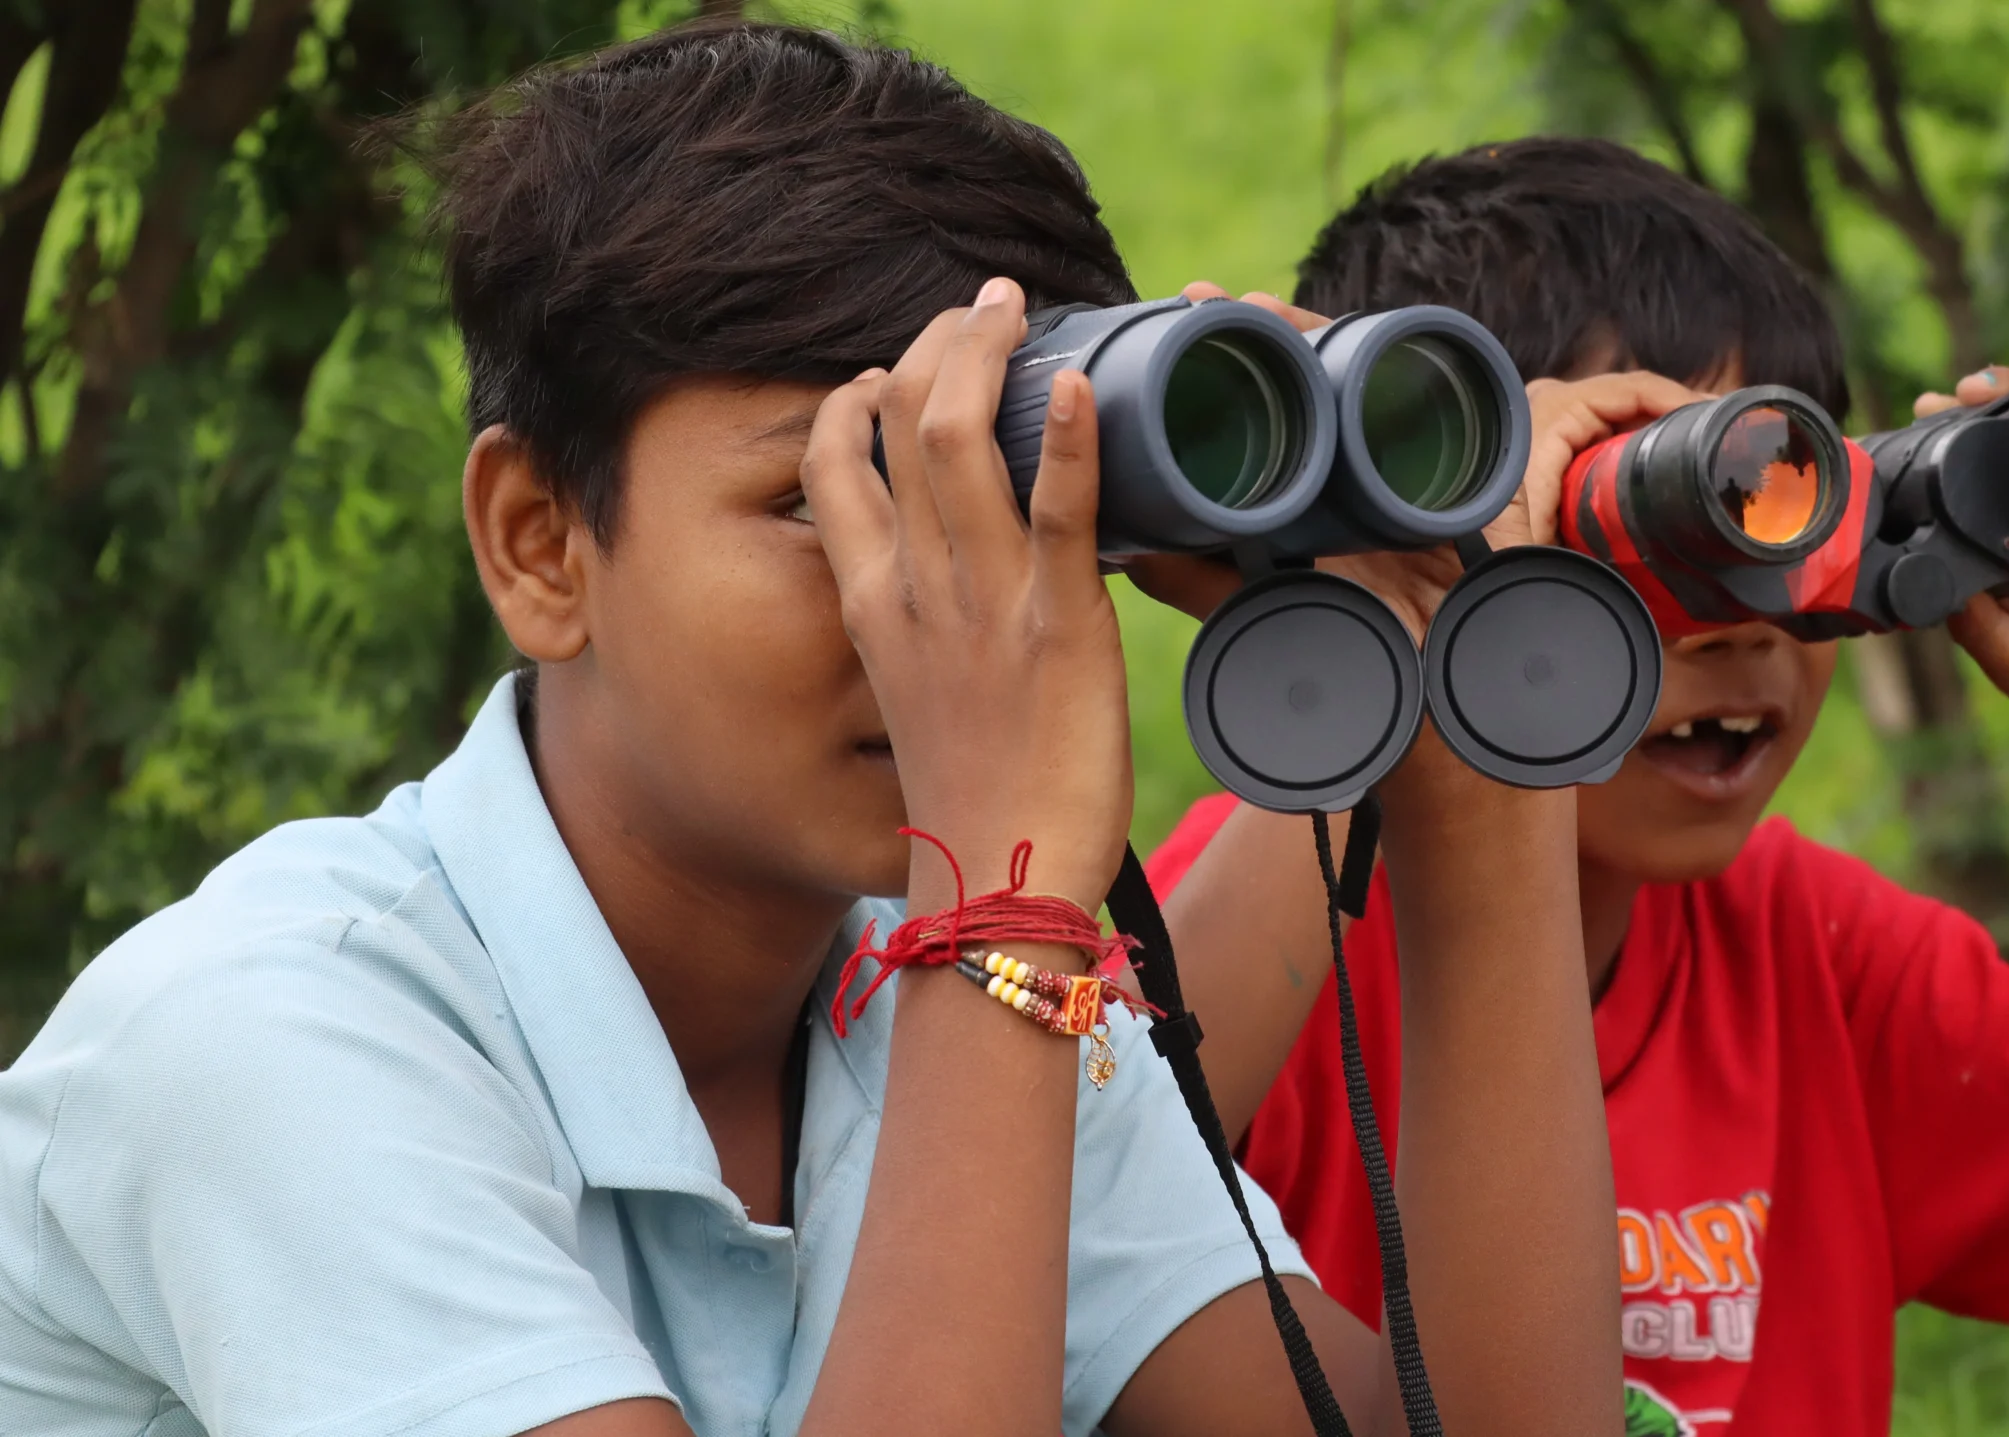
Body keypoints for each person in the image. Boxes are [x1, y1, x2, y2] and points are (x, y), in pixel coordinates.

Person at [0, 28, 1627, 1437]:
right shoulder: (269, 1044)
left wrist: (1469, 774)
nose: (934, 591)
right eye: (824, 495)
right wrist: (1000, 902)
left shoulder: (928, 994)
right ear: (539, 543)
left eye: (1000, 485)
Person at [1141, 138, 2009, 1437]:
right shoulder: (1280, 908)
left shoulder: (1817, 957)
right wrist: (1390, 649)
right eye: (1631, 523)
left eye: (1772, 503)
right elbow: (1083, 1211)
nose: (1737, 622)